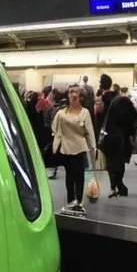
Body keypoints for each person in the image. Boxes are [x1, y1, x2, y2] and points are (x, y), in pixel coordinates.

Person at [51, 84, 97, 214]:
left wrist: (93, 147)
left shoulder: (85, 113)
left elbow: (89, 132)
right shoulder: (60, 113)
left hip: (80, 149)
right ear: (68, 96)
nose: (74, 95)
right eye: (71, 92)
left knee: (79, 176)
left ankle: (79, 202)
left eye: (76, 92)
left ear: (80, 96)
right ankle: (71, 201)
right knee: (69, 177)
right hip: (65, 149)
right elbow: (54, 129)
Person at [100, 86, 137, 197]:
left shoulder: (111, 108)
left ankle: (114, 186)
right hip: (122, 139)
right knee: (120, 164)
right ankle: (119, 184)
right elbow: (134, 119)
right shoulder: (126, 104)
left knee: (111, 164)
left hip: (110, 138)